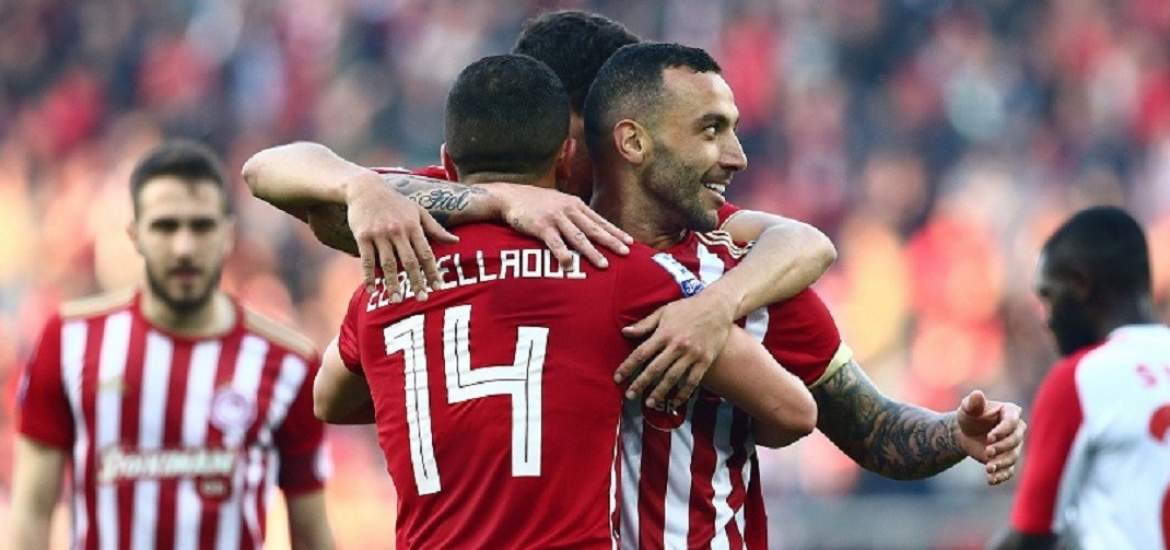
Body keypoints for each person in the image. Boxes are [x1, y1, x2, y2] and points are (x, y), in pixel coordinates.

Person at [246, 11, 1026, 548]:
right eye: (710, 131)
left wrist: (955, 436)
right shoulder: (459, 216)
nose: (733, 157)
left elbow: (867, 426)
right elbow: (276, 172)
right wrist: (430, 192)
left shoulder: (730, 262)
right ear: (589, 132)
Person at [314, 53, 816, 549]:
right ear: (565, 159)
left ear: (447, 164)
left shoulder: (385, 283)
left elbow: (327, 400)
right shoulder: (613, 266)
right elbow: (792, 409)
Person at [9, 141, 335, 550]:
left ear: (228, 235)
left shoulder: (288, 363)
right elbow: (32, 510)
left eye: (201, 227)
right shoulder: (69, 341)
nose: (184, 247)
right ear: (135, 235)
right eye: (166, 227)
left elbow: (311, 532)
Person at [993, 206, 1170, 550]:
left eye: (1048, 296)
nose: (1046, 320)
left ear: (1080, 285)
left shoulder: (1079, 379)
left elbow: (1033, 536)